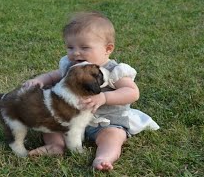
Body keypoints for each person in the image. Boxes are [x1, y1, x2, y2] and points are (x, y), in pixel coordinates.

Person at [22, 11, 159, 171]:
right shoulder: (72, 65)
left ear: (108, 49)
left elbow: (132, 92)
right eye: (70, 47)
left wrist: (104, 98)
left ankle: (103, 157)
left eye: (84, 47)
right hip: (71, 120)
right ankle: (55, 146)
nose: (75, 53)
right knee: (50, 126)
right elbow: (55, 75)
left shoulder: (115, 71)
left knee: (113, 136)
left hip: (105, 122)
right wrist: (39, 80)